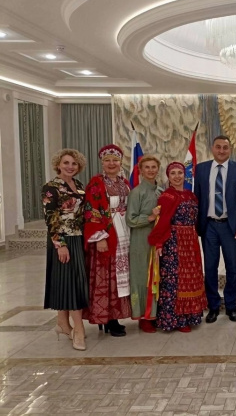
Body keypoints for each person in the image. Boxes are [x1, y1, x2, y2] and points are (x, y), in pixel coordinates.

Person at [148, 162, 208, 331]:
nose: (176, 176)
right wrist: (159, 242)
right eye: (173, 173)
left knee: (191, 278)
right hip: (174, 241)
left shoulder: (191, 195)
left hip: (190, 240)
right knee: (176, 280)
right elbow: (163, 221)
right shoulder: (167, 196)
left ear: (185, 175)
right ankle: (176, 320)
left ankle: (191, 316)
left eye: (179, 173)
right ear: (168, 176)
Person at [194, 135, 236, 323]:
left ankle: (231, 306)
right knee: (210, 267)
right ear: (212, 148)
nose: (222, 150)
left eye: (225, 147)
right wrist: (195, 226)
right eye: (218, 147)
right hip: (208, 225)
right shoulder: (201, 169)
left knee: (232, 267)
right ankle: (213, 306)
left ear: (230, 150)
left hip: (230, 226)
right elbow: (197, 198)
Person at [42, 149, 88, 351]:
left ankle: (62, 323)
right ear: (58, 165)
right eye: (66, 163)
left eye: (74, 164)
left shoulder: (78, 185)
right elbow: (50, 218)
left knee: (69, 281)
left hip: (78, 238)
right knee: (73, 283)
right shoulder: (51, 187)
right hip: (62, 240)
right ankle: (79, 330)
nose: (70, 166)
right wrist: (60, 244)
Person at [83, 144, 132, 337]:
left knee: (120, 276)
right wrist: (100, 237)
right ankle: (108, 318)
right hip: (108, 234)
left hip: (124, 232)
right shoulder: (96, 183)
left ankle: (117, 315)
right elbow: (91, 210)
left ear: (121, 163)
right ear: (102, 163)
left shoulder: (124, 183)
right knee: (108, 276)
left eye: (115, 160)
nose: (112, 163)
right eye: (107, 160)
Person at [126, 155, 162, 333]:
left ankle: (155, 314)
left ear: (158, 169)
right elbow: (130, 219)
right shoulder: (137, 192)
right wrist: (150, 217)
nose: (150, 170)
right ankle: (143, 316)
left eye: (153, 167)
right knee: (142, 276)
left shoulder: (161, 191)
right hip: (141, 240)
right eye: (146, 167)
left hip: (159, 240)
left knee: (157, 276)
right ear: (140, 170)